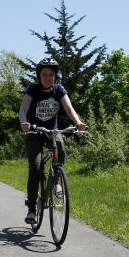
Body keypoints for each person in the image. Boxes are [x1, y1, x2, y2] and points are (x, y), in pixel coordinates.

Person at [18, 57, 86, 225]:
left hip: (52, 131)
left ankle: (56, 182)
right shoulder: (32, 90)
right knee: (35, 168)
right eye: (44, 74)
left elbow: (69, 108)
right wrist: (24, 123)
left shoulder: (59, 90)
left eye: (51, 74)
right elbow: (23, 110)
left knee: (61, 148)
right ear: (39, 76)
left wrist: (77, 123)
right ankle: (32, 209)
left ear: (55, 76)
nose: (47, 77)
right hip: (34, 132)